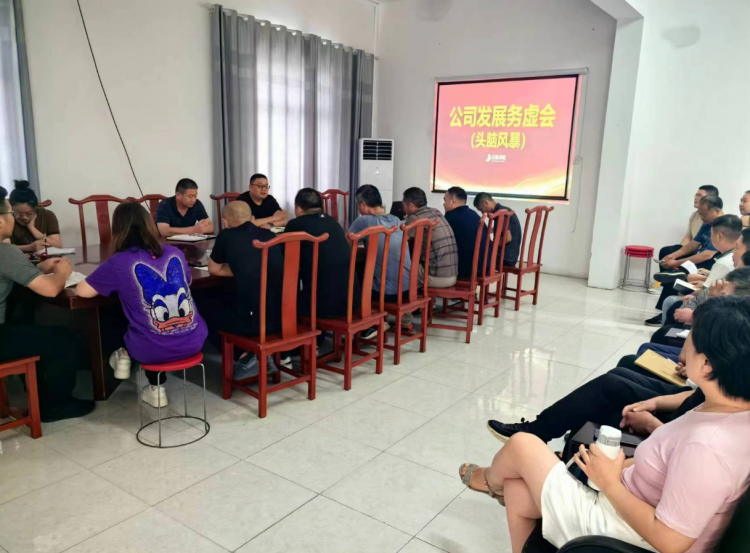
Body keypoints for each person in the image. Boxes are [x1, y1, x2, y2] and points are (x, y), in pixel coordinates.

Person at [464, 296, 750, 553]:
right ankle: (499, 487)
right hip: (630, 504)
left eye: (692, 334)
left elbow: (671, 541)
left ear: (707, 364)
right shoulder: (726, 409)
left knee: (522, 445)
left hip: (626, 531)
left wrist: (610, 483)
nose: (685, 340)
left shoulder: (707, 446)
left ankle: (488, 480)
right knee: (517, 491)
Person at [76, 202, 208, 408]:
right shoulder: (175, 253)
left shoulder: (118, 262)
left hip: (151, 349)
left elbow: (82, 292)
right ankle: (150, 384)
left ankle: (125, 355)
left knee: (131, 319)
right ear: (150, 224)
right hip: (195, 341)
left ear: (117, 229)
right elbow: (187, 282)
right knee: (142, 319)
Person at [0, 185, 95, 421]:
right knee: (61, 340)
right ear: (1, 221)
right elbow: (51, 290)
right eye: (11, 213)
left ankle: (34, 393)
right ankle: (56, 406)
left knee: (27, 323)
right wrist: (62, 273)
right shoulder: (5, 251)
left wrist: (37, 269)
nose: (15, 218)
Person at [208, 201, 283, 378]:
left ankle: (245, 357)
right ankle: (263, 356)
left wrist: (240, 270)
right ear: (252, 218)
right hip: (280, 317)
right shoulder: (269, 234)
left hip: (253, 323)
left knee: (206, 309)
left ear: (226, 222)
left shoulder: (226, 235)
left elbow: (214, 269)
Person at [647, 214, 741, 326]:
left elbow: (705, 295)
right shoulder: (729, 257)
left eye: (711, 234)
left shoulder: (724, 262)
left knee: (672, 302)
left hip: (710, 309)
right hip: (717, 303)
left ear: (719, 236)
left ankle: (668, 333)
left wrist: (692, 291)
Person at [284, 188, 359, 319]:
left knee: (282, 299)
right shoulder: (333, 222)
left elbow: (284, 257)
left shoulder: (295, 224)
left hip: (322, 306)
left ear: (298, 209)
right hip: (351, 302)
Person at [349, 184, 411, 334]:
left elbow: (347, 247)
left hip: (385, 293)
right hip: (406, 289)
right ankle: (403, 319)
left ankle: (367, 324)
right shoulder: (396, 220)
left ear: (362, 204)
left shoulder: (364, 221)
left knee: (354, 275)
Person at [402, 187, 458, 289]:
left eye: (404, 205)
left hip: (435, 277)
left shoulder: (415, 218)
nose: (403, 209)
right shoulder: (436, 212)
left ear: (410, 205)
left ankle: (406, 297)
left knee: (399, 265)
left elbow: (401, 243)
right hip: (452, 275)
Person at [657, 185, 719, 263]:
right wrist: (677, 253)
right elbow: (690, 240)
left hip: (707, 257)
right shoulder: (698, 218)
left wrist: (676, 263)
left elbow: (707, 254)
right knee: (667, 252)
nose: (696, 198)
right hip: (696, 251)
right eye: (696, 195)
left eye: (699, 195)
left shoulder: (720, 224)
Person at [443, 186, 488, 279]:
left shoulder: (450, 217)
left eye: (445, 200)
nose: (443, 204)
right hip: (485, 266)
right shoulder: (474, 214)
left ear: (453, 201)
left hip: (467, 270)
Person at [8, 180, 62, 253]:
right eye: (18, 213)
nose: (24, 217)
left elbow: (57, 245)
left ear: (35, 208)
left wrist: (33, 230)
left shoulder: (47, 215)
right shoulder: (7, 218)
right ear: (11, 208)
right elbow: (3, 248)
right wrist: (29, 248)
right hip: (18, 259)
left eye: (29, 213)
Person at [473, 192, 523, 268]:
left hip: (505, 258)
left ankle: (480, 275)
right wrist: (488, 230)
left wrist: (490, 245)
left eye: (481, 209)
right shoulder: (505, 210)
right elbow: (503, 229)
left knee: (475, 256)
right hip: (511, 256)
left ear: (486, 203)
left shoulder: (500, 213)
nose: (482, 213)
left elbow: (507, 238)